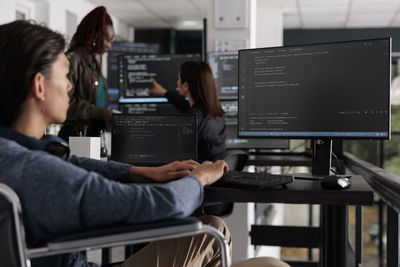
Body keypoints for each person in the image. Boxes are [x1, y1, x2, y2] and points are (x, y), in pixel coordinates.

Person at [0, 20, 290, 267]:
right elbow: (157, 205)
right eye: (64, 75)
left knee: (213, 227)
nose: (71, 86)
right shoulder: (34, 169)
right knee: (270, 263)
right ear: (39, 85)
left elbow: (70, 162)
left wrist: (140, 172)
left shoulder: (15, 151)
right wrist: (200, 178)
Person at [150, 61, 226, 162]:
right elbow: (185, 106)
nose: (177, 82)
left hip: (195, 173)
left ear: (185, 86)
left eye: (178, 79)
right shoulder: (214, 113)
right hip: (210, 173)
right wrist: (165, 92)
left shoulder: (191, 119)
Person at [58, 6, 114, 141]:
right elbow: (65, 103)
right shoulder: (72, 60)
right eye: (107, 40)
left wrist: (108, 111)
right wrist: (100, 112)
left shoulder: (93, 62)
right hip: (76, 137)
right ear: (94, 36)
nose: (109, 45)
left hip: (92, 135)